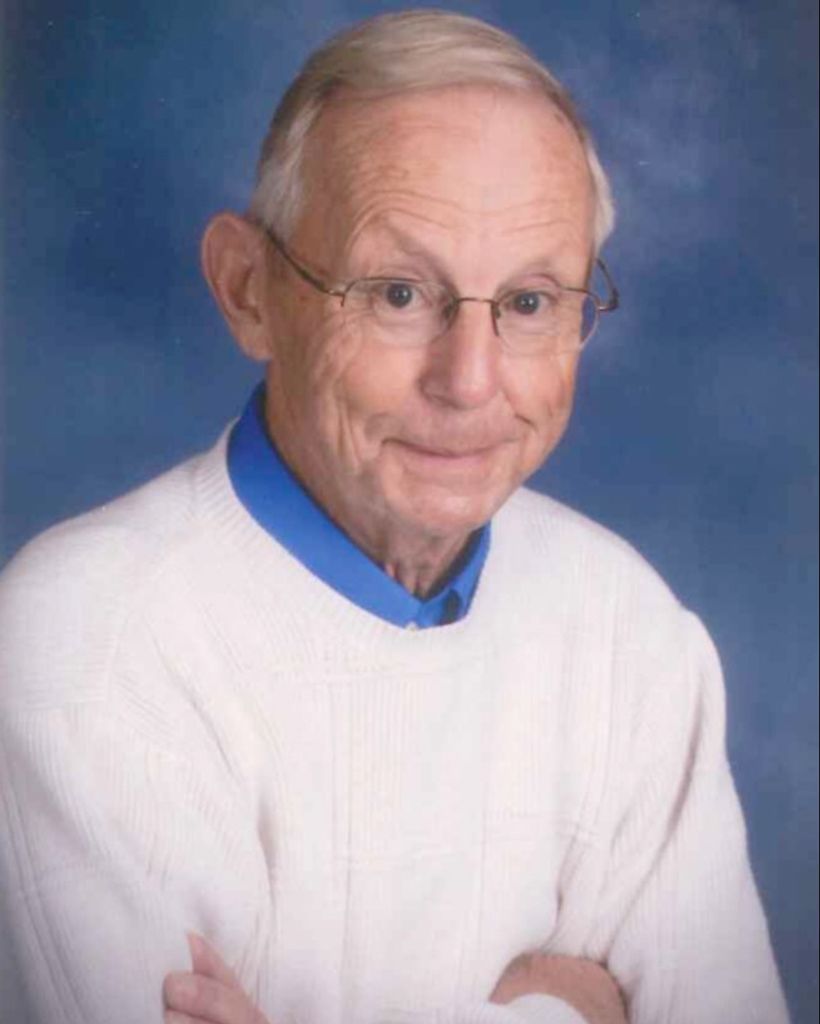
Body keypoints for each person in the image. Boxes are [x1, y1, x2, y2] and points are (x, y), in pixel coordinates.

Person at [0, 10, 789, 1024]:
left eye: (531, 302)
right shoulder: (83, 645)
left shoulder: (629, 632)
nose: (470, 381)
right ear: (248, 290)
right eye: (400, 293)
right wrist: (577, 1010)